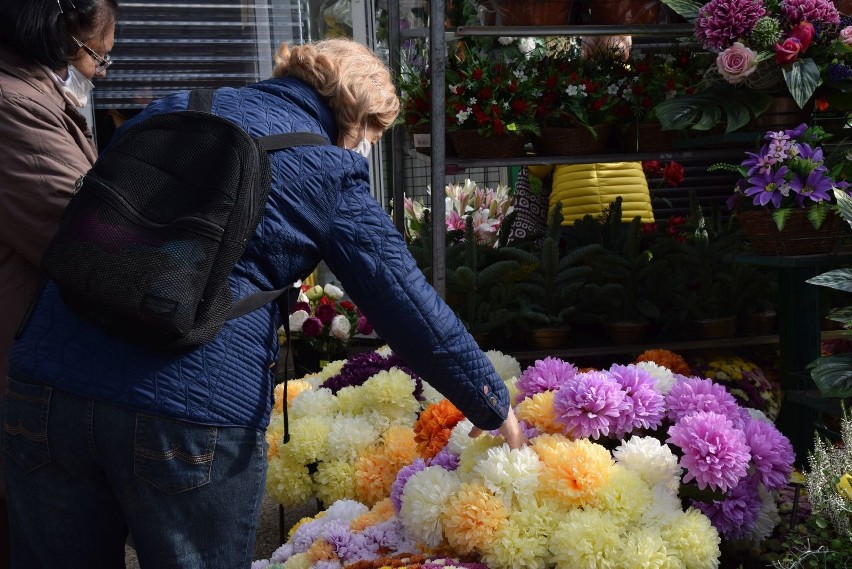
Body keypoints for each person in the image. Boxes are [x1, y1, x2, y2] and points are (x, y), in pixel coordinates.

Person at [5, 38, 524, 568]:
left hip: (48, 383)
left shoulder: (171, 108)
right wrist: (492, 404)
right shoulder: (327, 168)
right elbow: (409, 306)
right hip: (190, 406)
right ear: (357, 115)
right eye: (372, 133)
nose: (366, 146)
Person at [0, 0, 117, 566]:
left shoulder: (33, 98)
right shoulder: (14, 107)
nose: (97, 73)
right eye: (98, 57)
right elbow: (82, 237)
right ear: (59, 30)